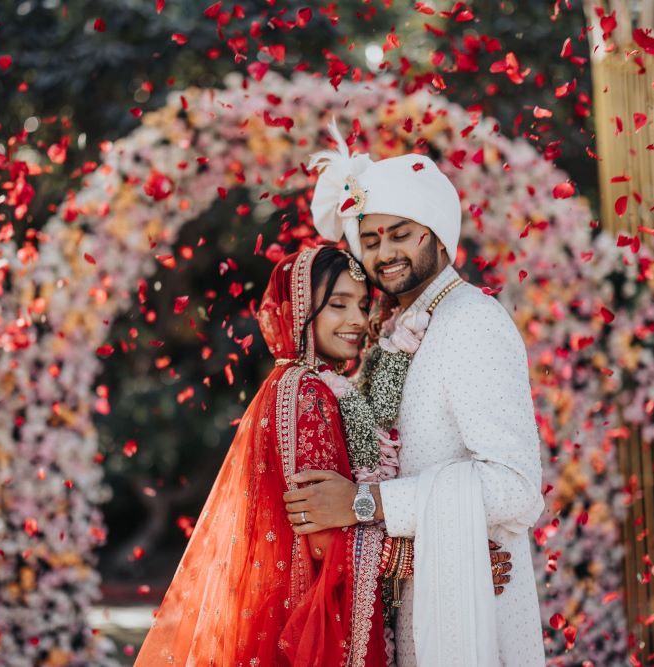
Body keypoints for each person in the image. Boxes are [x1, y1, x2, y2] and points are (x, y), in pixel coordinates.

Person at [284, 124, 546, 666]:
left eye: (400, 234)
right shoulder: (395, 330)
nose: (385, 254)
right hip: (415, 599)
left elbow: (516, 488)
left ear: (434, 233)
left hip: (475, 609)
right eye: (372, 240)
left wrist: (363, 504)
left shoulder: (472, 320)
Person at [134, 245, 392, 666]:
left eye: (363, 306)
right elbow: (322, 535)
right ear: (300, 309)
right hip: (306, 621)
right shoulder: (308, 392)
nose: (358, 321)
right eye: (338, 305)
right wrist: (426, 557)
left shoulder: (284, 383)